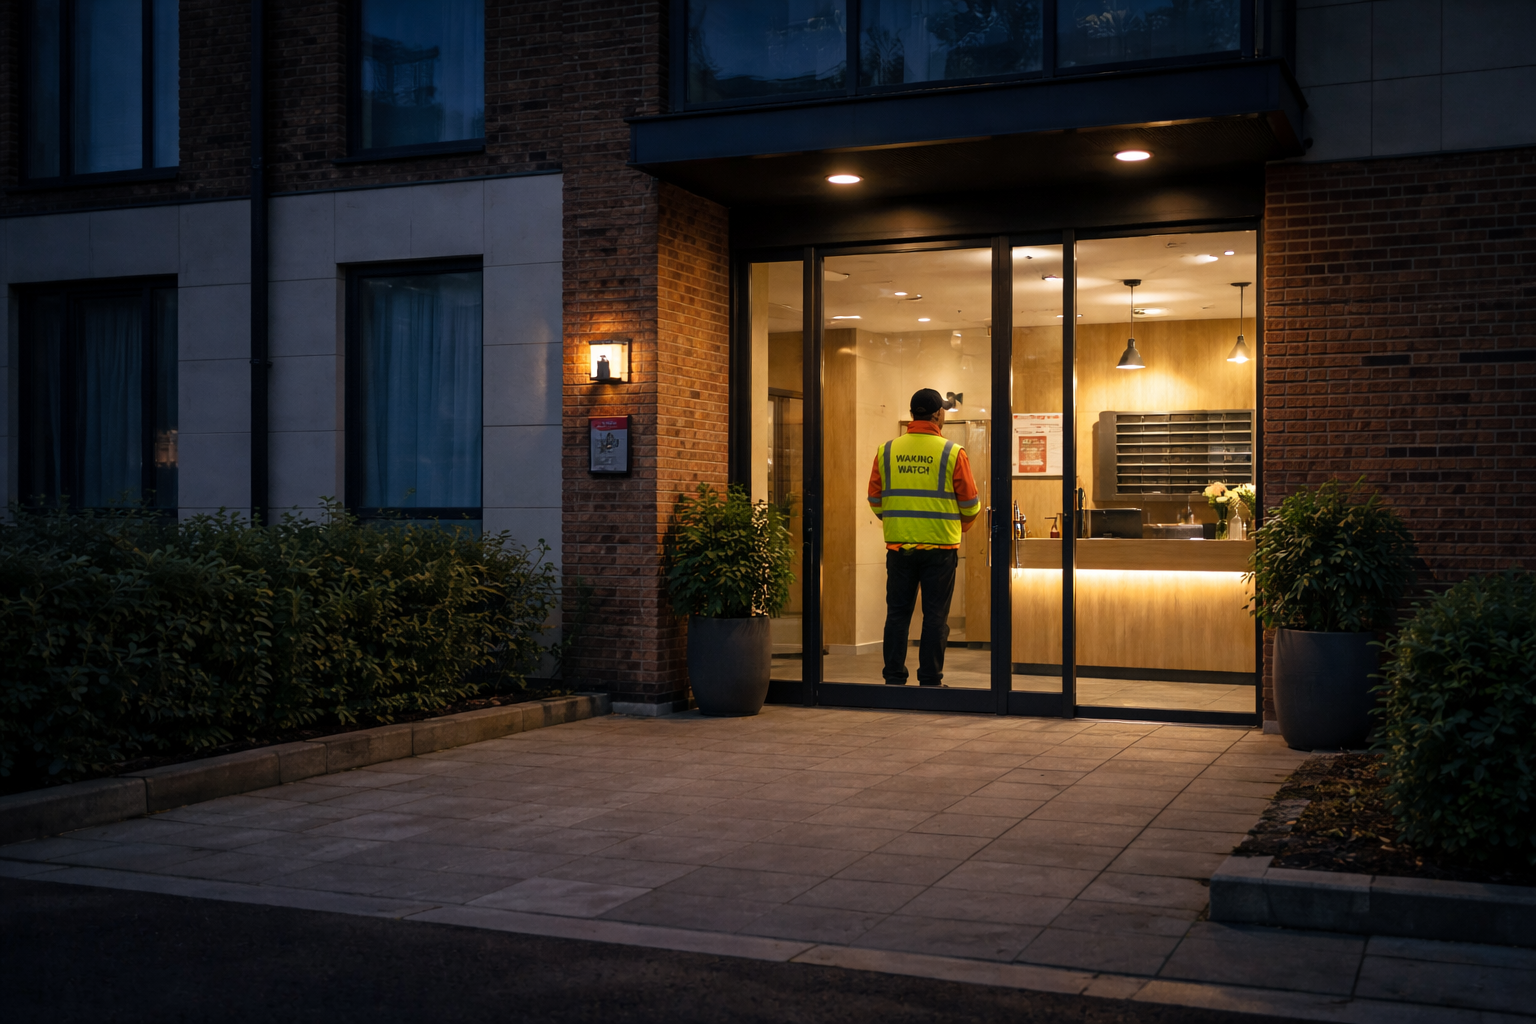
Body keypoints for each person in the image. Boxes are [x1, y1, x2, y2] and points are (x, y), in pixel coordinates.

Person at [867, 388, 981, 686]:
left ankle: (893, 678)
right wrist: (959, 527)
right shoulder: (952, 452)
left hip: (899, 547)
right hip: (940, 549)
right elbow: (971, 504)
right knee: (935, 617)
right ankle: (930, 680)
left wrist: (897, 521)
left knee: (897, 615)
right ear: (938, 414)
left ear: (911, 414)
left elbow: (875, 499)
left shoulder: (886, 450)